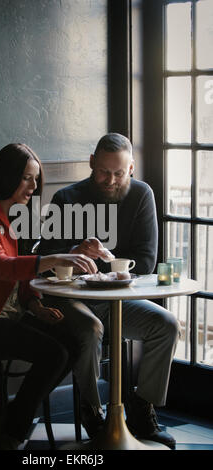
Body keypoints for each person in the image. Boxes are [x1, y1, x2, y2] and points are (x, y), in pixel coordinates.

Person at [38, 133, 180, 449]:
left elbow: (145, 261)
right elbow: (44, 259)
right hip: (70, 298)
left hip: (115, 299)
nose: (111, 180)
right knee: (90, 329)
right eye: (104, 172)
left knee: (166, 325)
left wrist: (95, 265)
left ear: (131, 168)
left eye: (118, 173)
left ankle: (142, 410)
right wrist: (77, 250)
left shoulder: (142, 195)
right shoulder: (66, 198)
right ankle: (93, 412)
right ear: (92, 163)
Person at [0, 143, 97, 450]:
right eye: (26, 178)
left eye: (36, 179)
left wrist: (36, 305)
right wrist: (57, 258)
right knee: (54, 353)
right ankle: (11, 434)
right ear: (7, 176)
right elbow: (0, 267)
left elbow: (23, 277)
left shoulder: (19, 215)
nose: (34, 186)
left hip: (13, 316)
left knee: (72, 344)